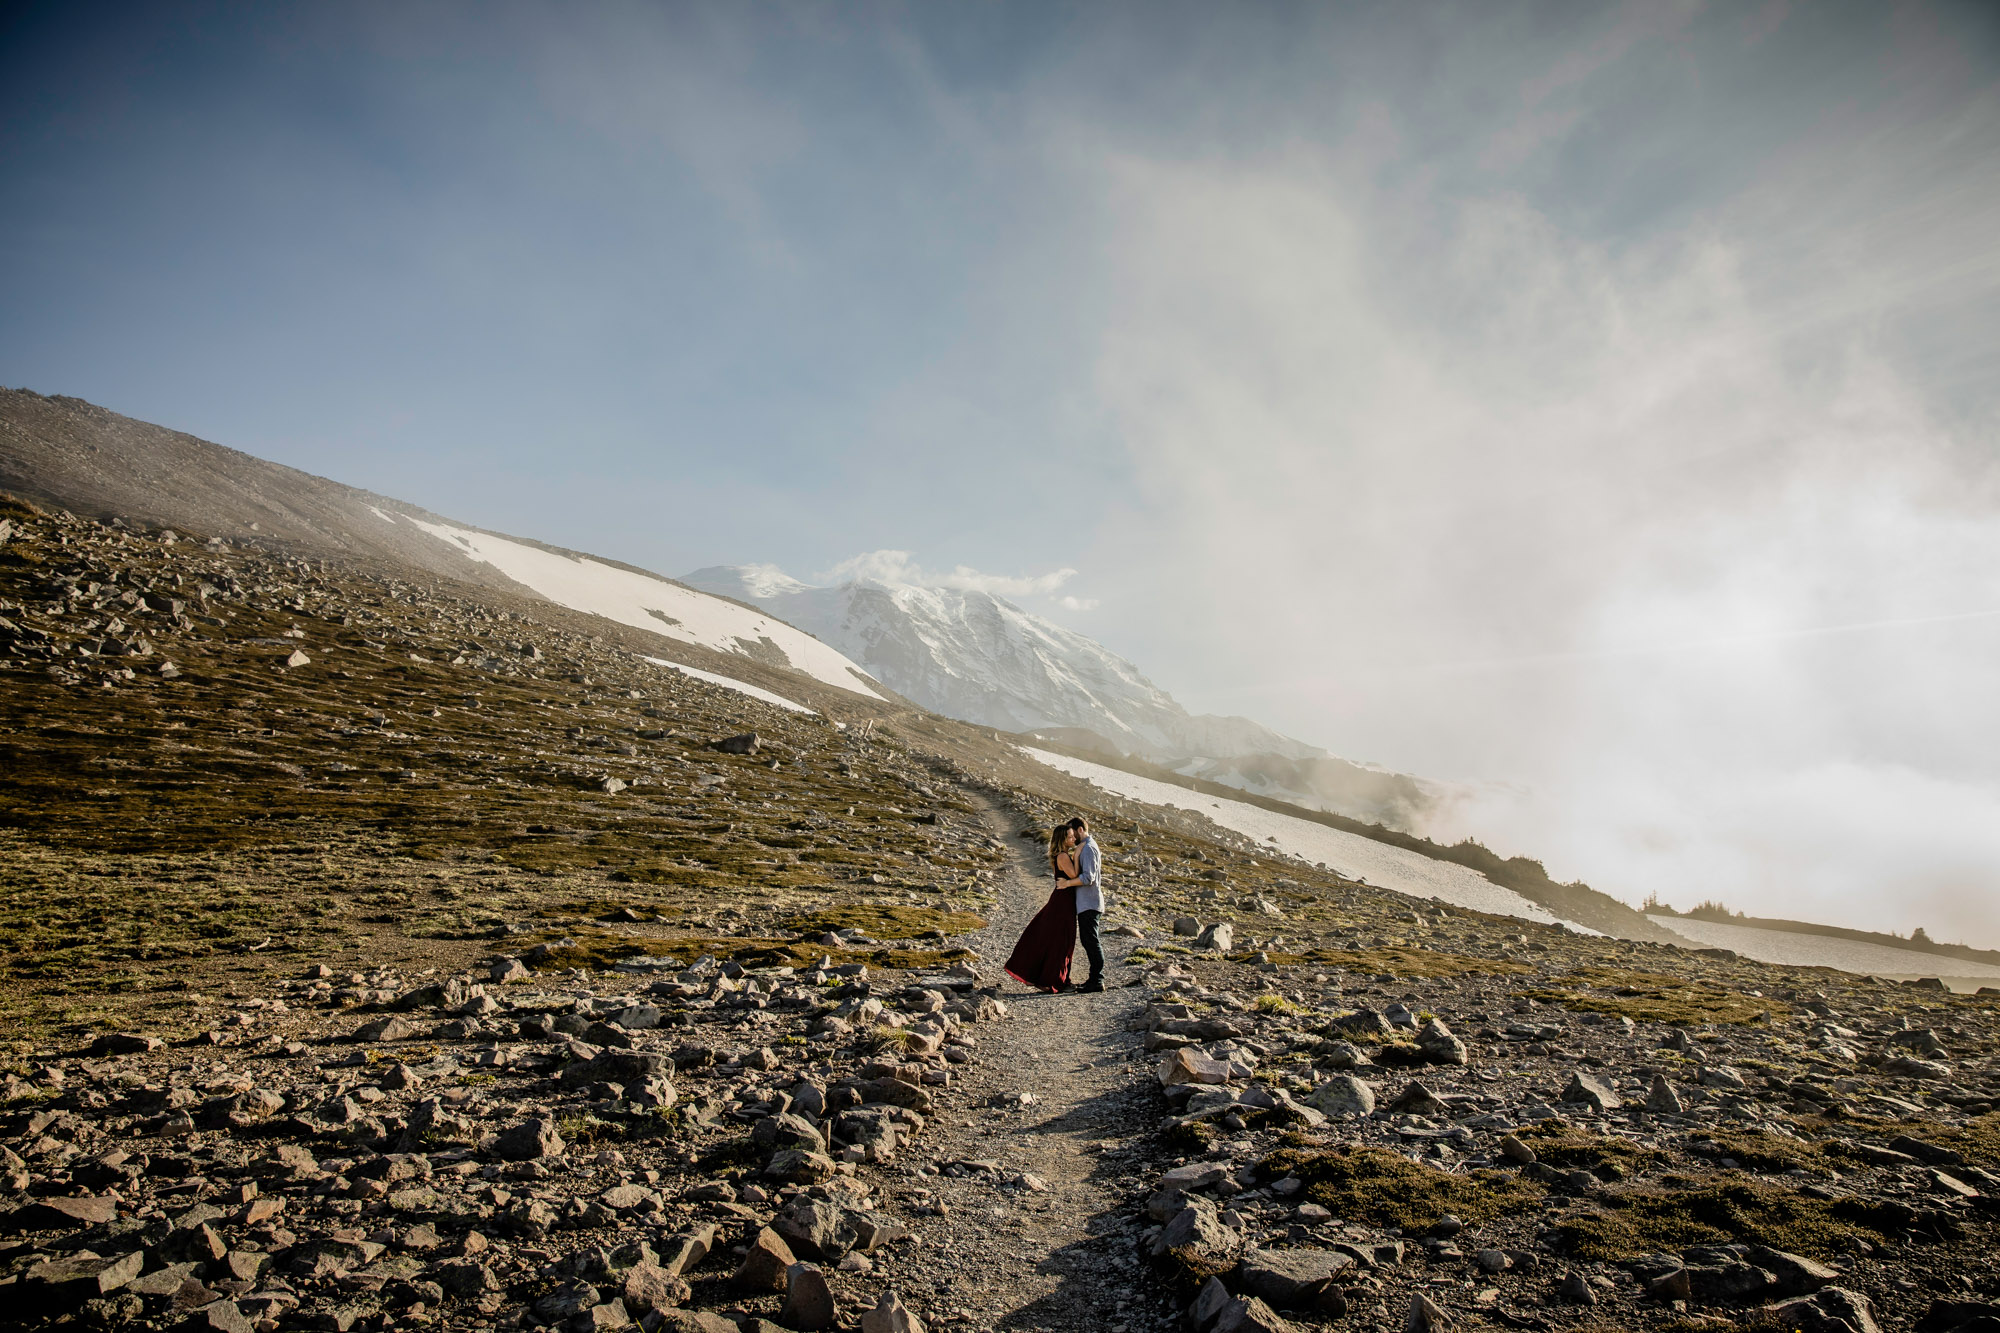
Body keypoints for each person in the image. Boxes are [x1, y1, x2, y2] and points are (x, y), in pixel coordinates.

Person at [1003, 823, 1084, 992]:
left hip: (1063, 900)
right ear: (1063, 839)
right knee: (1062, 940)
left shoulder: (1061, 855)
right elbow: (1075, 875)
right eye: (1070, 836)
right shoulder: (1063, 856)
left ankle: (1054, 978)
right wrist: (1078, 855)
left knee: (1059, 939)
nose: (1073, 838)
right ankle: (1056, 981)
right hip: (1063, 902)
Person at [1067, 816, 1106, 992]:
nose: (1072, 837)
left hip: (1089, 902)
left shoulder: (1089, 849)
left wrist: (1067, 883)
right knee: (1088, 940)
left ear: (1080, 829)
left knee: (1091, 941)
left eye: (1073, 833)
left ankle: (1097, 980)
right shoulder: (1087, 847)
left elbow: (1088, 878)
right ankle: (1094, 978)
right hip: (1087, 902)